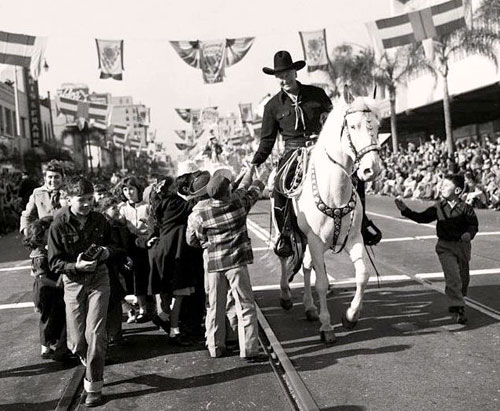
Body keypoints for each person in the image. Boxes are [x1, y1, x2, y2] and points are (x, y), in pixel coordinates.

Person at [250, 50, 333, 255]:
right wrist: (255, 162)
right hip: (292, 152)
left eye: (287, 74)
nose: (284, 79)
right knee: (277, 186)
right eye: (279, 76)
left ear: (295, 73)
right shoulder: (272, 106)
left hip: (320, 148)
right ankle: (286, 234)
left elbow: (333, 122)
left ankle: (363, 223)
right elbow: (267, 140)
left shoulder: (317, 94)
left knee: (352, 176)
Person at [187, 165, 269, 361]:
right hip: (237, 263)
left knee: (215, 306)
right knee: (245, 305)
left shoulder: (200, 214)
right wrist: (259, 175)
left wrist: (206, 243)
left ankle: (215, 346)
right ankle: (249, 349)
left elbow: (192, 239)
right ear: (228, 192)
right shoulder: (239, 205)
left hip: (214, 265)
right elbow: (253, 191)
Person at [48, 177, 115, 407]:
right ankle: (89, 360)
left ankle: (94, 385)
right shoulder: (58, 224)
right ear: (68, 199)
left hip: (99, 279)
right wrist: (75, 266)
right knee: (76, 342)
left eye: (90, 199)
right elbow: (53, 262)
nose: (87, 204)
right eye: (81, 200)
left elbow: (113, 245)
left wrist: (107, 251)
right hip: (73, 282)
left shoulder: (100, 219)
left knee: (95, 333)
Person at [395, 174, 479, 324]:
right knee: (452, 275)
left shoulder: (466, 208)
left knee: (463, 279)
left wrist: (469, 234)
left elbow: (473, 225)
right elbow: (422, 218)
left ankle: (457, 299)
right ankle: (458, 307)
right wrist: (406, 210)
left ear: (458, 190)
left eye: (446, 185)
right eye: (441, 185)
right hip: (445, 246)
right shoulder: (438, 207)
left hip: (463, 247)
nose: (441, 187)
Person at [23, 217, 67, 360]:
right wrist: (57, 284)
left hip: (47, 289)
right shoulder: (40, 256)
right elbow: (41, 277)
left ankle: (51, 344)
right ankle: (46, 347)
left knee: (53, 317)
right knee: (48, 318)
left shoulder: (39, 252)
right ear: (41, 236)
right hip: (47, 290)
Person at [118, 176, 152, 322]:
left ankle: (152, 306)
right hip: (132, 246)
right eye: (125, 189)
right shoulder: (122, 208)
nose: (128, 192)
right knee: (136, 278)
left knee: (149, 276)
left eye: (131, 189)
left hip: (148, 244)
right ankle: (142, 307)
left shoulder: (147, 206)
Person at [20, 160, 65, 237]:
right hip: (45, 235)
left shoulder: (68, 192)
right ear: (45, 178)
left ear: (62, 178)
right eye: (50, 177)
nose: (53, 181)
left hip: (64, 234)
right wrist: (26, 230)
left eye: (56, 177)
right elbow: (27, 215)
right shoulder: (38, 193)